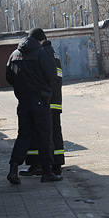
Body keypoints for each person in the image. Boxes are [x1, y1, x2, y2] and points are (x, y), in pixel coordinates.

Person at [5, 28, 61, 184]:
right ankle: (47, 172)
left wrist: (22, 86)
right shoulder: (41, 53)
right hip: (40, 100)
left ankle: (13, 168)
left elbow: (9, 76)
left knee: (23, 135)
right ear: (40, 40)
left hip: (23, 101)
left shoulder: (14, 54)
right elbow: (51, 76)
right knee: (44, 135)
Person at [21, 40, 65, 176]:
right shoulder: (53, 53)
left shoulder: (43, 54)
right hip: (54, 101)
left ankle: (38, 165)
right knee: (55, 133)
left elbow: (47, 77)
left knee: (40, 134)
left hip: (45, 100)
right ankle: (56, 164)